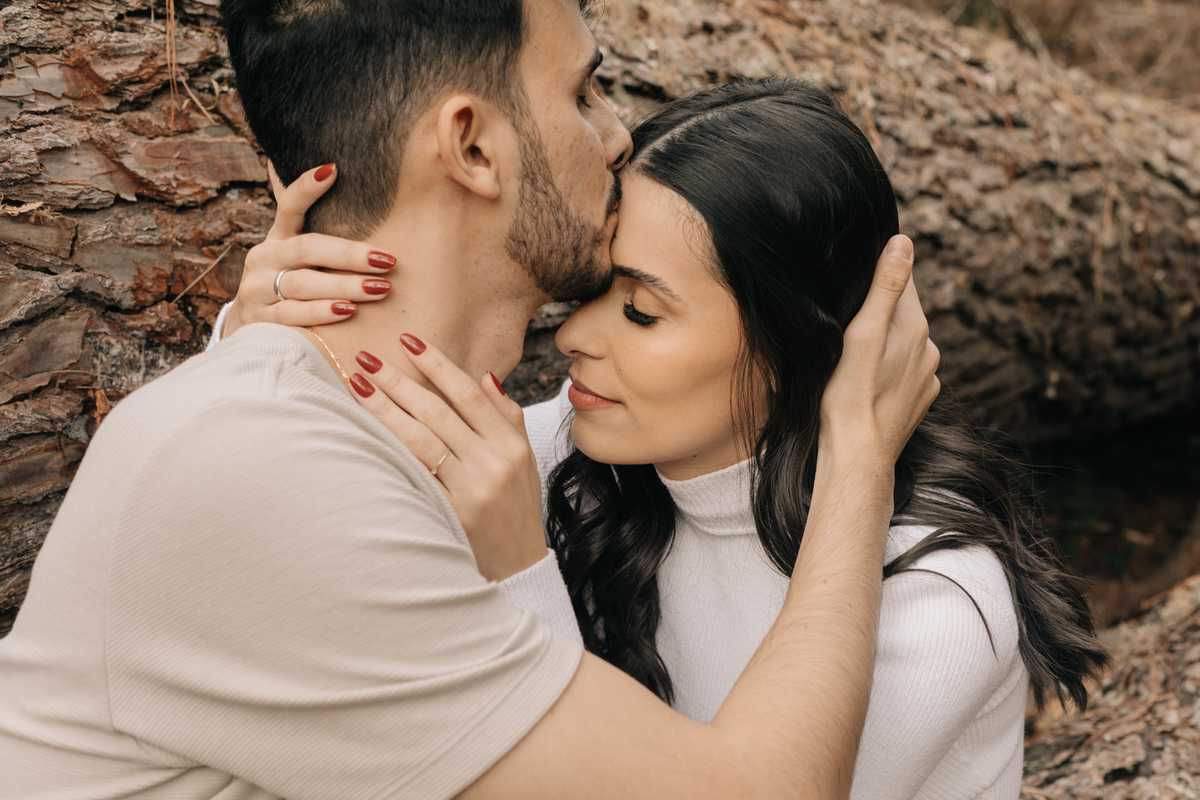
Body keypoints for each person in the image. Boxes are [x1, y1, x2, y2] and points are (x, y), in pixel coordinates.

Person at [0, 2, 941, 799]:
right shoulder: (264, 465)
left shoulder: (345, 423)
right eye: (582, 93)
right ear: (473, 147)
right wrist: (857, 453)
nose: (618, 134)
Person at [223, 79, 1109, 798]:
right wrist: (262, 342)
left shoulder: (938, 602)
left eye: (642, 311)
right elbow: (295, 513)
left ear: (790, 346)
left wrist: (521, 575)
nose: (575, 336)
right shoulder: (579, 455)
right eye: (596, 290)